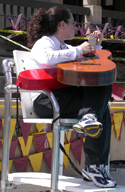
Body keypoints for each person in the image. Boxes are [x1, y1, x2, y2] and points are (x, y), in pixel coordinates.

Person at [27, 6, 116, 188]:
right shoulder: (44, 42)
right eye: (73, 23)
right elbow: (45, 57)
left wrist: (95, 44)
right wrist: (78, 51)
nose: (76, 27)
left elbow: (87, 59)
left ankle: (89, 121)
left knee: (101, 80)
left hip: (62, 98)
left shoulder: (63, 46)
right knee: (99, 110)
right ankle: (94, 166)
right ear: (62, 24)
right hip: (46, 100)